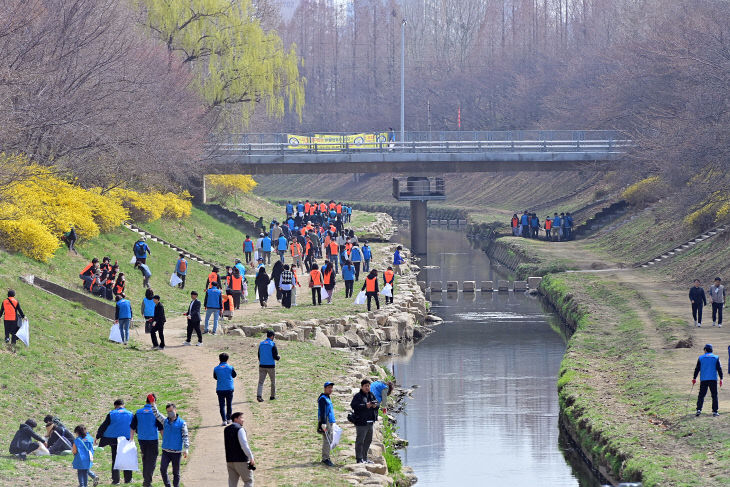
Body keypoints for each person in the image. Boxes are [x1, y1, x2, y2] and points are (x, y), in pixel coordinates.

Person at [95, 399, 134, 484]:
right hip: (126, 439)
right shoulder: (130, 414)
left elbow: (104, 426)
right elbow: (134, 426)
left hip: (113, 439)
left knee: (115, 459)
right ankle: (128, 479)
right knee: (126, 459)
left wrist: (98, 436)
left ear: (115, 406)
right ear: (123, 405)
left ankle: (116, 480)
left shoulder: (111, 414)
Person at [130, 394, 164, 487]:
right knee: (152, 460)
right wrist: (165, 440)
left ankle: (146, 480)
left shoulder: (138, 412)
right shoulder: (155, 413)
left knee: (145, 459)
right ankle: (147, 481)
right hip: (152, 439)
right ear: (154, 402)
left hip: (141, 439)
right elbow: (161, 428)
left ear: (145, 401)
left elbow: (132, 427)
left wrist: (131, 439)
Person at [159, 403, 189, 487]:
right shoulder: (165, 421)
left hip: (177, 452)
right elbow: (157, 414)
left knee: (176, 472)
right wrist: (153, 404)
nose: (170, 413)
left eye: (171, 411)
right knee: (162, 469)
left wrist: (186, 449)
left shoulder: (182, 423)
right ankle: (167, 485)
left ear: (175, 410)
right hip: (166, 451)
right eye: (168, 412)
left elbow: (185, 436)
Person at [350, 379, 378, 464]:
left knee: (368, 441)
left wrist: (374, 406)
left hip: (370, 422)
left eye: (368, 386)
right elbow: (354, 406)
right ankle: (359, 459)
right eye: (365, 386)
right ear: (362, 387)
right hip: (361, 422)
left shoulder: (371, 395)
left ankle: (365, 458)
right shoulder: (358, 396)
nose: (367, 388)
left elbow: (377, 405)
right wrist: (365, 406)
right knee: (360, 441)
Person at [224, 411, 255, 487]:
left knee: (232, 483)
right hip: (241, 460)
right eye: (241, 418)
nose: (243, 420)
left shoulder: (226, 429)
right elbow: (244, 444)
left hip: (230, 460)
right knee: (248, 481)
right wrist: (251, 457)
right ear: (236, 419)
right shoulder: (240, 429)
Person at [693, 344, 723, 416]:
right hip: (713, 379)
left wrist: (694, 378)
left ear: (705, 350)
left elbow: (697, 369)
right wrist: (721, 378)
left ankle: (699, 409)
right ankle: (715, 411)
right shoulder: (716, 358)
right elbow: (719, 369)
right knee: (714, 395)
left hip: (704, 379)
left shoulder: (701, 358)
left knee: (701, 395)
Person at [257, 330, 281, 402]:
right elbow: (275, 356)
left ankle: (259, 395)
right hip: (271, 366)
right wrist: (278, 358)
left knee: (261, 382)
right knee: (272, 381)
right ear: (272, 336)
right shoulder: (272, 344)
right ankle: (272, 396)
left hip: (262, 365)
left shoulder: (261, 344)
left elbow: (259, 355)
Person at [215, 353, 238, 426]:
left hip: (220, 389)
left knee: (221, 405)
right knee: (229, 404)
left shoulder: (216, 368)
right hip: (229, 388)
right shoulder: (230, 367)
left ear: (219, 359)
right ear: (227, 359)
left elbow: (215, 377)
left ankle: (224, 420)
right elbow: (234, 375)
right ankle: (229, 419)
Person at [317, 381, 337, 467]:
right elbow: (323, 412)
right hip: (326, 421)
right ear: (325, 388)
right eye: (329, 388)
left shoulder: (327, 397)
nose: (330, 389)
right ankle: (325, 458)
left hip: (330, 421)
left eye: (331, 388)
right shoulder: (323, 399)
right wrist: (323, 423)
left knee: (330, 439)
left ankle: (327, 457)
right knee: (327, 440)